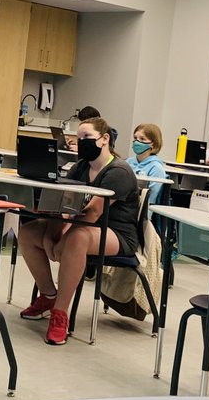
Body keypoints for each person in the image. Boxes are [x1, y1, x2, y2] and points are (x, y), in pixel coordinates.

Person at [19, 117, 139, 346]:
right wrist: (48, 237)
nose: (81, 142)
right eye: (79, 137)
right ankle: (48, 297)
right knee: (28, 232)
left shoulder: (119, 172)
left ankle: (60, 314)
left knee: (77, 239)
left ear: (105, 139)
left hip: (116, 233)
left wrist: (59, 241)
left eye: (87, 137)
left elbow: (93, 213)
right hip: (83, 225)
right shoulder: (81, 167)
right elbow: (62, 205)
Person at [126, 123, 168, 204]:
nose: (137, 142)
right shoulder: (128, 162)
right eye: (135, 138)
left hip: (141, 210)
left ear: (153, 143)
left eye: (142, 139)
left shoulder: (156, 168)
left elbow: (151, 199)